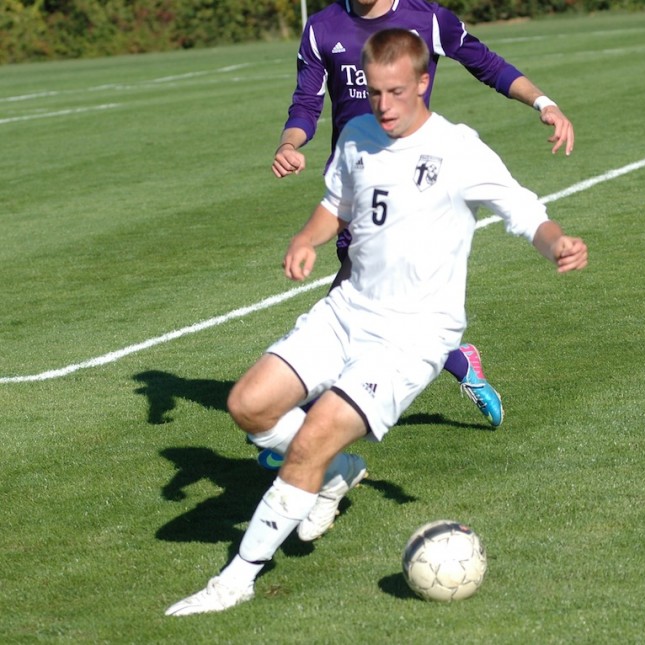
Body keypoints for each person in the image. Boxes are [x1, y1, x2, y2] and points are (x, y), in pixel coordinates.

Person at [165, 28, 587, 616]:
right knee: (249, 406)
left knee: (309, 439)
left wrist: (557, 243)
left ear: (422, 82)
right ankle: (336, 473)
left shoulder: (460, 149)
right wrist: (307, 238)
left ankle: (236, 578)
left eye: (395, 92)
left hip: (414, 335)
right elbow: (335, 204)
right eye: (373, 92)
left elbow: (523, 211)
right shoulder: (359, 135)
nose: (381, 106)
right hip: (347, 310)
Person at [270, 0, 575, 429]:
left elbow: (485, 63)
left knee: (360, 302)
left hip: (417, 188)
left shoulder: (426, 18)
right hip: (354, 189)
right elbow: (306, 103)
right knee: (379, 302)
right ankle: (458, 361)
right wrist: (289, 145)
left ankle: (303, 419)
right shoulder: (322, 28)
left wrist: (543, 102)